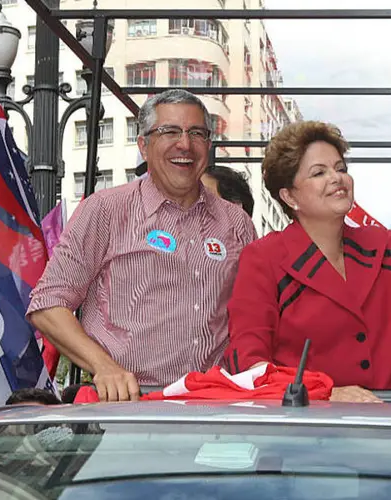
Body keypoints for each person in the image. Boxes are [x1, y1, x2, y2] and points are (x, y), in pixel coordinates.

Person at [27, 89, 257, 402]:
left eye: (196, 133)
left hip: (210, 407)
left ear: (208, 146)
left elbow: (251, 319)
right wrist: (104, 367)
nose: (184, 144)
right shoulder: (106, 210)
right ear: (143, 145)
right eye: (169, 131)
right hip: (124, 407)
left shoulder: (236, 223)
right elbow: (48, 304)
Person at [225, 121, 391, 402]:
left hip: (386, 423)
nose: (336, 178)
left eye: (341, 168)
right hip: (303, 431)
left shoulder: (382, 244)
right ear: (289, 196)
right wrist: (324, 393)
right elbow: (249, 362)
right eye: (319, 172)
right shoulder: (264, 258)